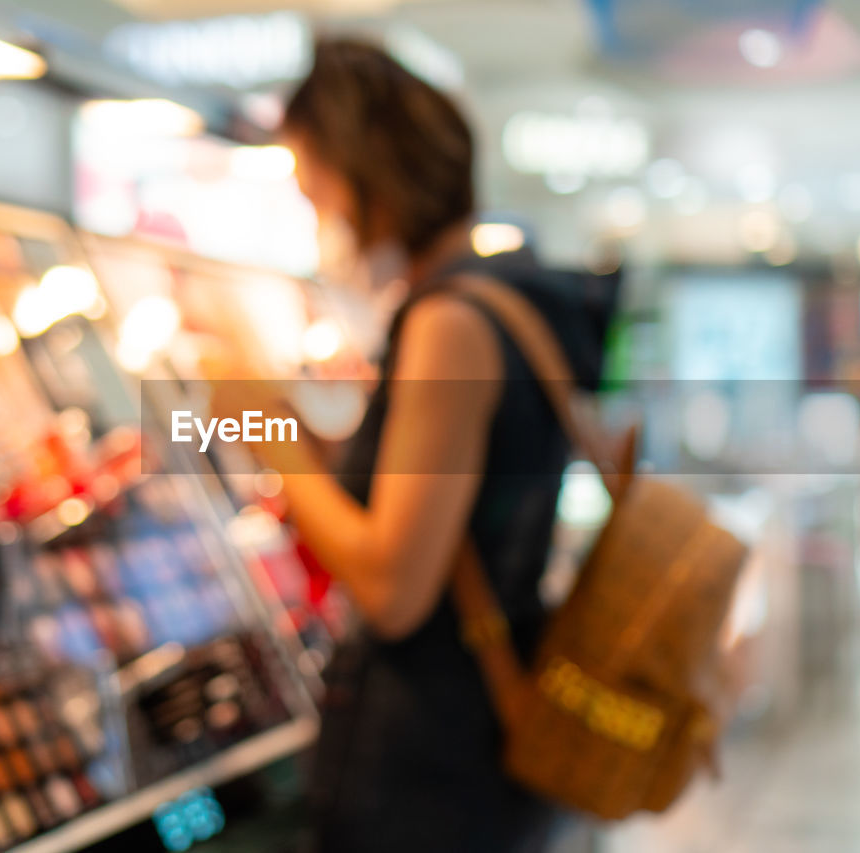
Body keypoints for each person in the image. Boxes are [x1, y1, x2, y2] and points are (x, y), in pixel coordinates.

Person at [214, 37, 613, 853]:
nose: (322, 218)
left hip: (428, 767)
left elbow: (397, 585)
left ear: (369, 176)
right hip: (479, 748)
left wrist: (278, 447)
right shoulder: (518, 302)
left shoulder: (448, 324)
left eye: (316, 188)